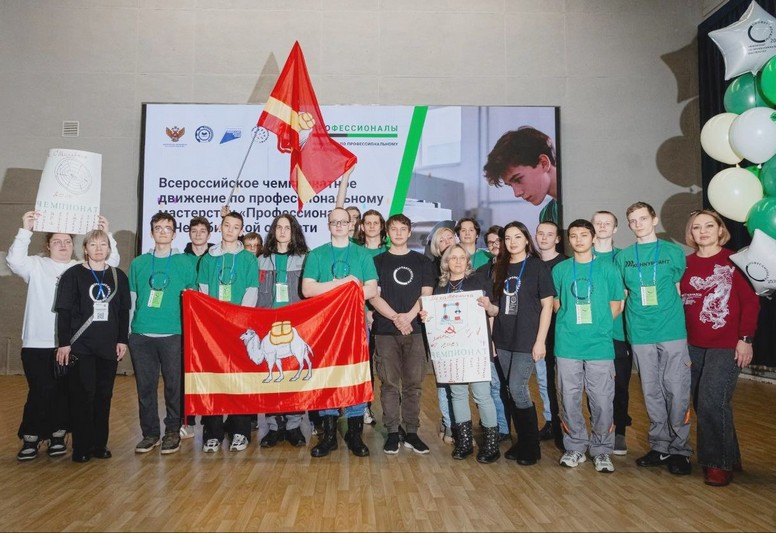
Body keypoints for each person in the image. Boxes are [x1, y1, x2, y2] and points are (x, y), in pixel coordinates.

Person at [8, 212, 120, 461]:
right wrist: (25, 230)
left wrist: (106, 233)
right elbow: (14, 260)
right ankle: (31, 436)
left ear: (75, 245)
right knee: (40, 390)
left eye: (67, 241)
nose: (62, 245)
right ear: (48, 245)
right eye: (56, 241)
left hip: (72, 344)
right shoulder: (35, 265)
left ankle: (58, 435)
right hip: (39, 342)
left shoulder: (80, 269)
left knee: (67, 392)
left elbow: (111, 262)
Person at [680, 210, 759, 487]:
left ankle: (716, 464)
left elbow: (750, 303)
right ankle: (729, 455)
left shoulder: (734, 261)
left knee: (712, 401)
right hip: (692, 345)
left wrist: (745, 339)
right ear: (691, 233)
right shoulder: (685, 263)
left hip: (726, 345)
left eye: (709, 226)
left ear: (720, 230)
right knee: (705, 403)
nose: (703, 231)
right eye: (697, 227)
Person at [616, 201, 692, 475]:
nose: (638, 224)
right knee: (651, 390)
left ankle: (680, 449)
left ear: (654, 219)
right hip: (640, 332)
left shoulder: (673, 252)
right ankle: (660, 446)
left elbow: (679, 289)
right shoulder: (623, 257)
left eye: (643, 218)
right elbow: (623, 296)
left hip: (671, 330)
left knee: (676, 389)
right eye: (633, 221)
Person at [302, 207, 378, 458]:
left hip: (355, 327)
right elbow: (307, 289)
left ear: (351, 225)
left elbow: (372, 289)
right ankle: (329, 436)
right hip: (325, 327)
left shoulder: (362, 254)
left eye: (343, 222)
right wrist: (341, 285)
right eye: (334, 222)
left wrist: (346, 291)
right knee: (327, 377)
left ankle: (355, 435)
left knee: (355, 375)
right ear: (328, 225)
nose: (339, 225)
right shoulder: (317, 254)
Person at [552, 220, 624, 472]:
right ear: (569, 239)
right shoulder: (560, 269)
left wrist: (598, 326)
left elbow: (616, 304)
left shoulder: (609, 269)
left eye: (584, 235)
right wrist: (571, 325)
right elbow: (557, 304)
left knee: (602, 400)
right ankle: (575, 446)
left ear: (593, 238)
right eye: (573, 235)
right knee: (569, 398)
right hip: (567, 344)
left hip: (599, 345)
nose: (578, 239)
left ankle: (602, 450)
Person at [55, 229, 130, 463]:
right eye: (93, 244)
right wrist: (64, 344)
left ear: (109, 248)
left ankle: (99, 444)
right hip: (81, 347)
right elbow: (64, 313)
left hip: (108, 346)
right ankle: (81, 446)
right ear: (85, 249)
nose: (99, 249)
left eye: (103, 244)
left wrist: (122, 340)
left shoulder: (118, 276)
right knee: (82, 396)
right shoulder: (73, 275)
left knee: (104, 396)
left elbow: (123, 311)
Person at [422, 244, 501, 462]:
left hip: (476, 349)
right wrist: (427, 316)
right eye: (453, 258)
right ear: (446, 262)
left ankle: (491, 444)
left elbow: (494, 311)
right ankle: (464, 441)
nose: (457, 261)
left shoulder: (479, 281)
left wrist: (489, 307)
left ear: (467, 261)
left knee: (482, 395)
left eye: (462, 257)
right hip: (452, 351)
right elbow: (437, 318)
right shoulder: (440, 288)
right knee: (457, 394)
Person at [128, 212, 196, 456]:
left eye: (168, 228)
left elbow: (193, 300)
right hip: (141, 334)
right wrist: (129, 332)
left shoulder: (185, 263)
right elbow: (132, 299)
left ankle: (172, 431)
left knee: (173, 387)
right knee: (145, 388)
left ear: (174, 234)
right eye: (158, 228)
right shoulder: (138, 263)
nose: (163, 232)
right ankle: (150, 434)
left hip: (173, 334)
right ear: (151, 232)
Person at [369, 214, 435, 455]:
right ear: (387, 233)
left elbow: (426, 293)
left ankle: (412, 432)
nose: (398, 233)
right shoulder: (377, 261)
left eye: (402, 229)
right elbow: (373, 296)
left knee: (413, 384)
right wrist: (396, 317)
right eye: (394, 229)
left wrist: (408, 317)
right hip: (386, 332)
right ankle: (392, 432)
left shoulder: (423, 261)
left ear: (409, 232)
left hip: (415, 330)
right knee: (389, 384)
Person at [492, 221, 555, 466]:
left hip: (527, 338)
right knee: (510, 390)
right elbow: (496, 305)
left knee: (517, 387)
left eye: (517, 237)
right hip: (503, 338)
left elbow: (547, 306)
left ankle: (531, 446)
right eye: (507, 238)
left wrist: (540, 341)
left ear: (527, 239)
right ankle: (522, 442)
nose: (512, 242)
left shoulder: (537, 267)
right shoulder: (499, 267)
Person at [197, 211, 259, 453]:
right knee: (213, 378)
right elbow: (203, 292)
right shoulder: (208, 259)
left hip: (239, 327)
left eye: (235, 226)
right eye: (227, 225)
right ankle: (212, 433)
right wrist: (214, 321)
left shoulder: (248, 259)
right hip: (213, 328)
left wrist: (237, 321)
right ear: (220, 227)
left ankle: (240, 431)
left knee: (238, 379)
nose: (230, 230)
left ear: (241, 231)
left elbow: (251, 291)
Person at [256, 214, 309, 449]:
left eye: (287, 227)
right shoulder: (261, 260)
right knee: (271, 375)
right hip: (267, 324)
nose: (283, 231)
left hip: (296, 325)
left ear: (294, 231)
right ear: (273, 231)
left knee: (293, 375)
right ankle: (273, 426)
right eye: (279, 227)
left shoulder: (304, 259)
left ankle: (293, 426)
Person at [591, 210, 633, 456]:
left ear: (615, 228)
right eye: (598, 223)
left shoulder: (623, 258)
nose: (602, 226)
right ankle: (599, 431)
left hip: (618, 334)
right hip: (590, 335)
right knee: (594, 387)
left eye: (607, 223)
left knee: (620, 386)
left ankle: (619, 433)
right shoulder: (583, 256)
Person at [181, 215, 215, 438]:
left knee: (210, 370)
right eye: (194, 231)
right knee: (187, 371)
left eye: (202, 231)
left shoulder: (216, 257)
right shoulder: (180, 258)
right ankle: (188, 420)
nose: (198, 235)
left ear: (209, 234)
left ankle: (211, 418)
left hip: (210, 322)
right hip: (187, 322)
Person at [534, 220, 566, 450]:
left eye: (549, 234)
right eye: (540, 233)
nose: (544, 238)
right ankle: (550, 420)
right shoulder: (531, 264)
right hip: (538, 332)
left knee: (564, 382)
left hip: (563, 332)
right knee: (543, 379)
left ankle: (565, 424)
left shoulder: (566, 264)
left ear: (557, 239)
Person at [476, 225, 510, 442]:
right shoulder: (482, 271)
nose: (494, 245)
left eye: (498, 241)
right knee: (493, 384)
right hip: (486, 334)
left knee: (508, 386)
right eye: (490, 242)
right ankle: (498, 426)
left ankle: (505, 427)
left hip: (509, 332)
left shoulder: (514, 269)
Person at [483, 126, 559, 223]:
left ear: (543, 163)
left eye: (518, 179)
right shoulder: (546, 216)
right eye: (510, 185)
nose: (517, 193)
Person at [357, 209, 388, 425]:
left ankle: (391, 414)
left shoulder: (389, 251)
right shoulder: (356, 252)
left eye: (376, 223)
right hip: (361, 316)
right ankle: (364, 407)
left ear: (381, 226)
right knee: (364, 365)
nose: (371, 226)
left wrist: (378, 311)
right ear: (362, 226)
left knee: (387, 367)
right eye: (367, 223)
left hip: (386, 316)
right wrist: (366, 311)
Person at [427, 224, 457, 443]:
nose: (446, 243)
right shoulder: (430, 269)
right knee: (444, 381)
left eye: (449, 238)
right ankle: (449, 423)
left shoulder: (466, 265)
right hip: (440, 334)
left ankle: (461, 423)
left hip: (465, 334)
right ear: (436, 247)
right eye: (441, 240)